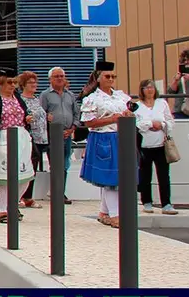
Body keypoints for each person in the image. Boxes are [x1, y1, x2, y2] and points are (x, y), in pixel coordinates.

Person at [79, 61, 134, 229]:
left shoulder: (121, 96)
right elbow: (89, 123)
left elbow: (132, 111)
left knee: (118, 177)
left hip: (121, 136)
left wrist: (128, 114)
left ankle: (104, 211)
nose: (110, 79)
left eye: (113, 76)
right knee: (110, 178)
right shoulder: (92, 99)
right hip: (103, 137)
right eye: (107, 76)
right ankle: (115, 214)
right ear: (98, 78)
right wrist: (112, 118)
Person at [0, 68, 35, 225]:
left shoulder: (17, 98)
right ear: (0, 83)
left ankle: (12, 204)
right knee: (2, 176)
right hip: (3, 138)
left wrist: (27, 119)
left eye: (14, 82)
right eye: (9, 82)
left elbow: (23, 114)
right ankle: (3, 209)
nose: (12, 85)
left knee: (24, 175)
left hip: (22, 138)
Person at [135, 78, 177, 214]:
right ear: (142, 90)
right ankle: (147, 202)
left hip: (160, 145)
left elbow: (170, 121)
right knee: (145, 174)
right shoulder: (138, 106)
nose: (150, 90)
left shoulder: (162, 103)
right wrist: (150, 124)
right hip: (145, 145)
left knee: (164, 175)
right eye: (146, 87)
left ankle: (166, 203)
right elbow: (136, 124)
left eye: (152, 87)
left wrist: (162, 125)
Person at [39, 67, 80, 205]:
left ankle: (60, 191)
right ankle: (56, 192)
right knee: (56, 164)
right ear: (50, 79)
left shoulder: (70, 95)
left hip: (67, 134)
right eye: (56, 76)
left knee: (65, 164)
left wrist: (72, 128)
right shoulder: (45, 95)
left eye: (62, 76)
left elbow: (76, 113)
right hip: (53, 135)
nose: (60, 78)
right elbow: (41, 114)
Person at [17, 71, 47, 209]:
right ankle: (21, 196)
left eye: (35, 82)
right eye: (30, 82)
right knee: (26, 167)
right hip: (28, 137)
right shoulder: (20, 100)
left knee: (34, 168)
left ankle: (29, 196)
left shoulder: (36, 99)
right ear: (23, 84)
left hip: (40, 137)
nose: (34, 85)